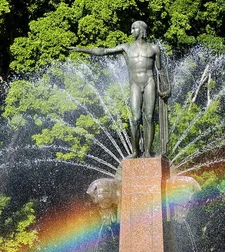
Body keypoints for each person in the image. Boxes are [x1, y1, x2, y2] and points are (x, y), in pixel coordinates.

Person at [69, 21, 169, 157]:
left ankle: (147, 151)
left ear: (141, 30)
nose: (131, 32)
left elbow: (160, 70)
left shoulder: (154, 48)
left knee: (149, 117)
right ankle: (135, 151)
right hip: (135, 84)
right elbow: (104, 51)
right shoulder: (126, 47)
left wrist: (166, 88)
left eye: (134, 29)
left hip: (149, 82)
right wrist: (81, 49)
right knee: (135, 119)